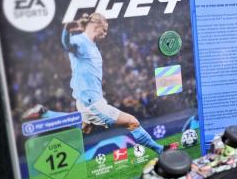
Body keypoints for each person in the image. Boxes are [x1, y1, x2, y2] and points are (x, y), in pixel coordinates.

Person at [61, 12, 163, 154]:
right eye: (104, 30)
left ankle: (60, 151)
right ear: (96, 26)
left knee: (84, 129)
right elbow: (67, 45)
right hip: (92, 104)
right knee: (132, 122)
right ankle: (160, 150)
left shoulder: (92, 46)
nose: (106, 33)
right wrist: (67, 30)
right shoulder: (80, 41)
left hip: (89, 101)